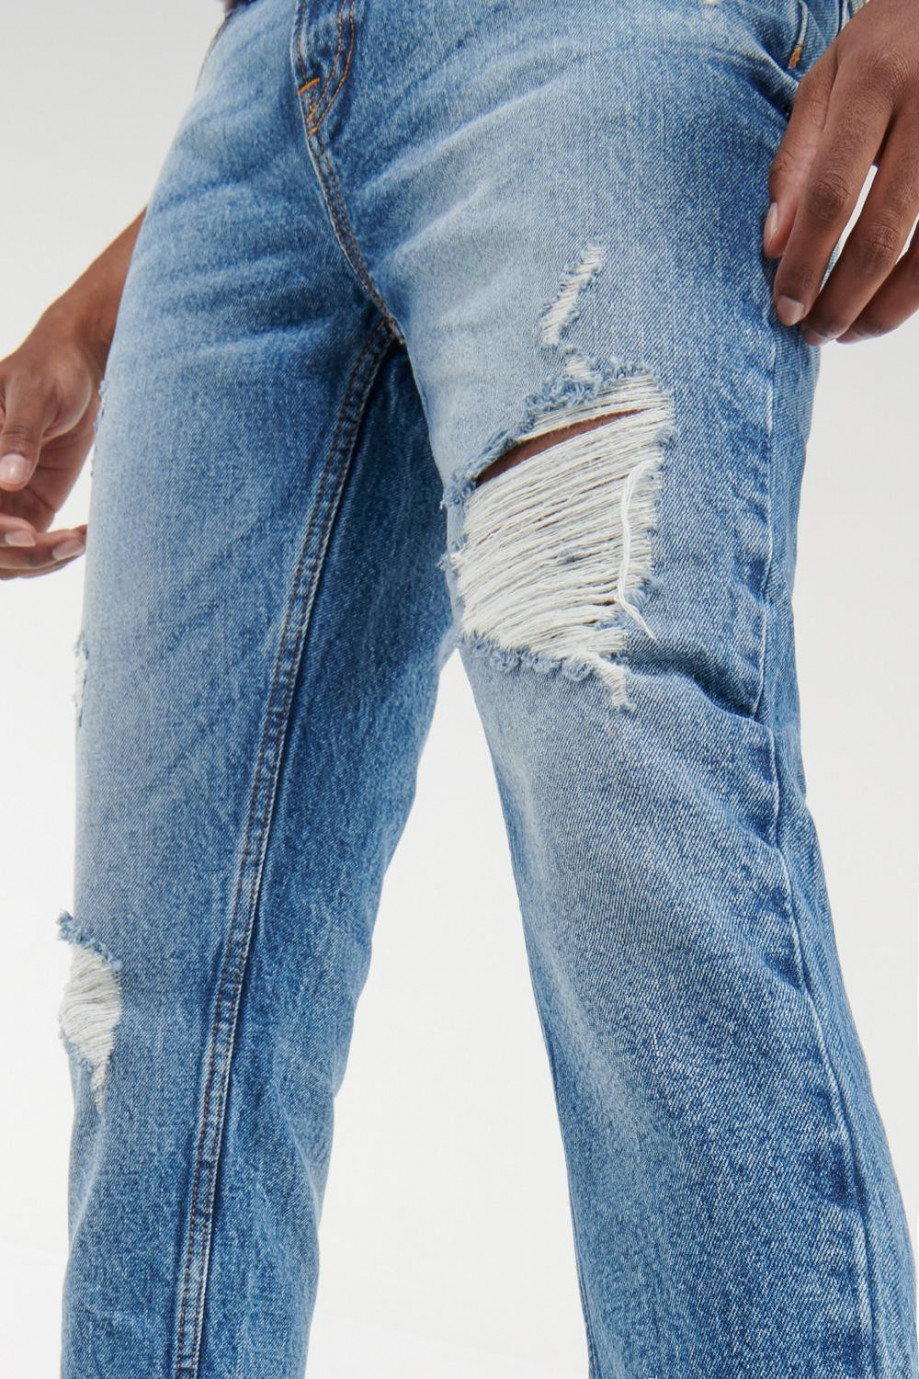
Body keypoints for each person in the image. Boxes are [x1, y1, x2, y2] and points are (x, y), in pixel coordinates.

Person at [1, 0, 916, 1373]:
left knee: (647, 866)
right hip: (255, 115)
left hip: (605, 45)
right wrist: (86, 322)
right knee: (149, 1004)